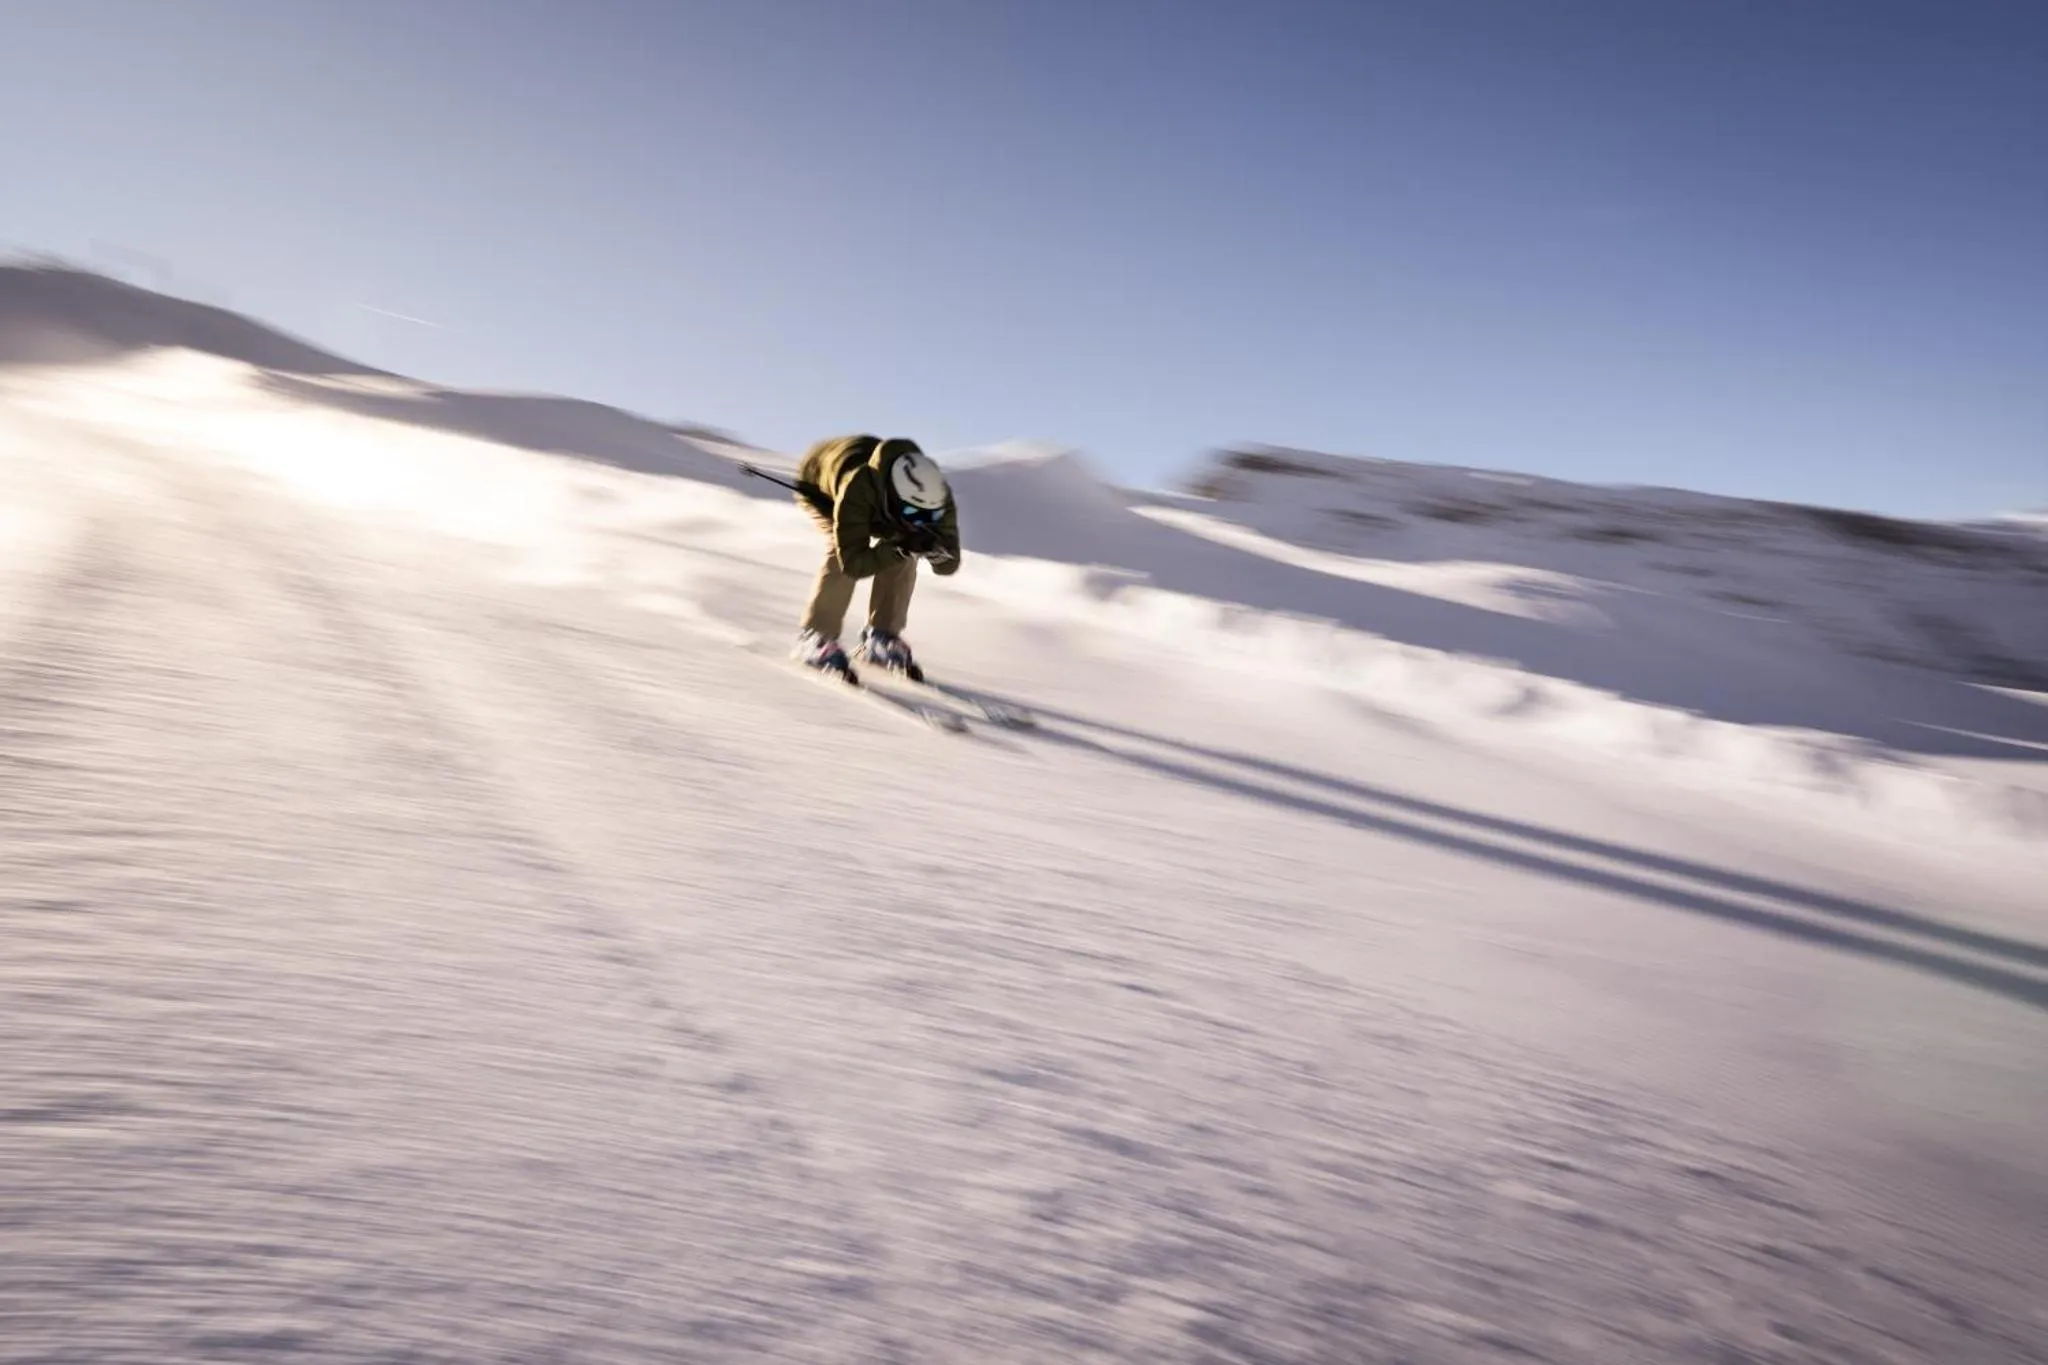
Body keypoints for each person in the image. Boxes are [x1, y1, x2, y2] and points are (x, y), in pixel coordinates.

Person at [789, 434, 961, 678]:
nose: (920, 521)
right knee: (839, 552)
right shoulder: (857, 488)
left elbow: (949, 565)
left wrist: (936, 552)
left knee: (907, 550)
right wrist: (900, 547)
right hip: (819, 483)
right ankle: (815, 636)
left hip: (881, 503)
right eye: (912, 512)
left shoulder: (937, 496)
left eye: (929, 515)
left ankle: (881, 636)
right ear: (895, 498)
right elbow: (853, 564)